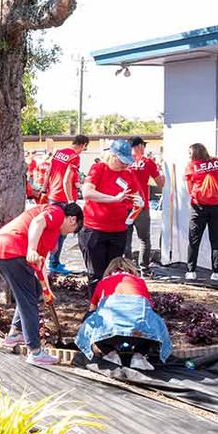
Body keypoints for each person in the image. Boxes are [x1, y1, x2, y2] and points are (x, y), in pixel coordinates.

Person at [0, 201, 84, 369]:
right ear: (72, 220)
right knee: (28, 301)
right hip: (11, 249)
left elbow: (40, 265)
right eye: (73, 231)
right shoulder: (57, 212)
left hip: (2, 250)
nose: (69, 234)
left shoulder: (51, 232)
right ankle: (35, 351)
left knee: (34, 291)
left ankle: (15, 333)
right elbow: (37, 222)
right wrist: (31, 249)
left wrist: (47, 290)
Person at [75, 258, 172, 369]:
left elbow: (92, 309)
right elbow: (148, 308)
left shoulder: (103, 282)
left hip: (109, 334)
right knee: (153, 321)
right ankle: (139, 356)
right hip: (139, 334)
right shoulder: (139, 281)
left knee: (89, 318)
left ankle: (111, 354)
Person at [80, 139, 143, 294]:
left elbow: (136, 195)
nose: (125, 165)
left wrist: (139, 202)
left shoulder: (128, 174)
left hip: (118, 230)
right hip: (94, 229)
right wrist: (113, 199)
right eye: (122, 161)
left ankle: (110, 303)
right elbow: (87, 192)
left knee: (113, 273)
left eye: (127, 162)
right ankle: (95, 308)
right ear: (112, 155)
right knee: (96, 274)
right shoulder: (98, 168)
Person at [185, 142, 218, 281]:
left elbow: (190, 190)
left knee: (194, 240)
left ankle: (191, 271)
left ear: (194, 153)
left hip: (198, 207)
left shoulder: (191, 166)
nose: (188, 156)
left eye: (189, 153)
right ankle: (217, 272)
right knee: (217, 240)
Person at [42, 135, 89, 275]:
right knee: (61, 233)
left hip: (52, 195)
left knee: (51, 230)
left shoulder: (59, 152)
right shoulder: (74, 156)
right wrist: (71, 201)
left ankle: (51, 262)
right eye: (84, 148)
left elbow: (49, 171)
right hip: (62, 198)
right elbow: (66, 181)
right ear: (83, 144)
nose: (83, 150)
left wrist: (44, 189)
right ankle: (54, 264)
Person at [128, 137, 165, 271]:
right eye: (143, 145)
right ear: (139, 146)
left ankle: (127, 269)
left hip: (124, 204)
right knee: (144, 239)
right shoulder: (147, 162)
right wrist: (162, 172)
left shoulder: (123, 161)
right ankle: (144, 268)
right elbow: (160, 183)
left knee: (125, 239)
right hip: (141, 205)